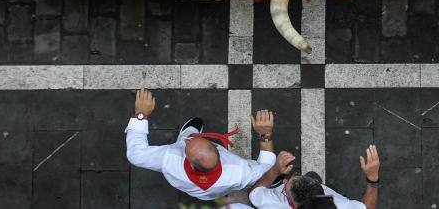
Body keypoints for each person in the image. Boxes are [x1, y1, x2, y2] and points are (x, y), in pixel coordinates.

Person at [125, 87, 288, 200]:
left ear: (190, 163)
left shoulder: (169, 159)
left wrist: (141, 115)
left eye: (188, 145)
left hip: (192, 189)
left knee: (187, 134)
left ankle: (185, 134)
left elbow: (136, 154)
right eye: (192, 139)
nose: (192, 139)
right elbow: (267, 171)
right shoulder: (239, 172)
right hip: (216, 191)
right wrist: (265, 133)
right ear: (218, 150)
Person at [249, 145, 380, 209]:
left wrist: (275, 171)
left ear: (292, 204)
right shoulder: (341, 205)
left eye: (285, 187)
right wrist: (372, 178)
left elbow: (255, 192)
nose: (285, 180)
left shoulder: (272, 203)